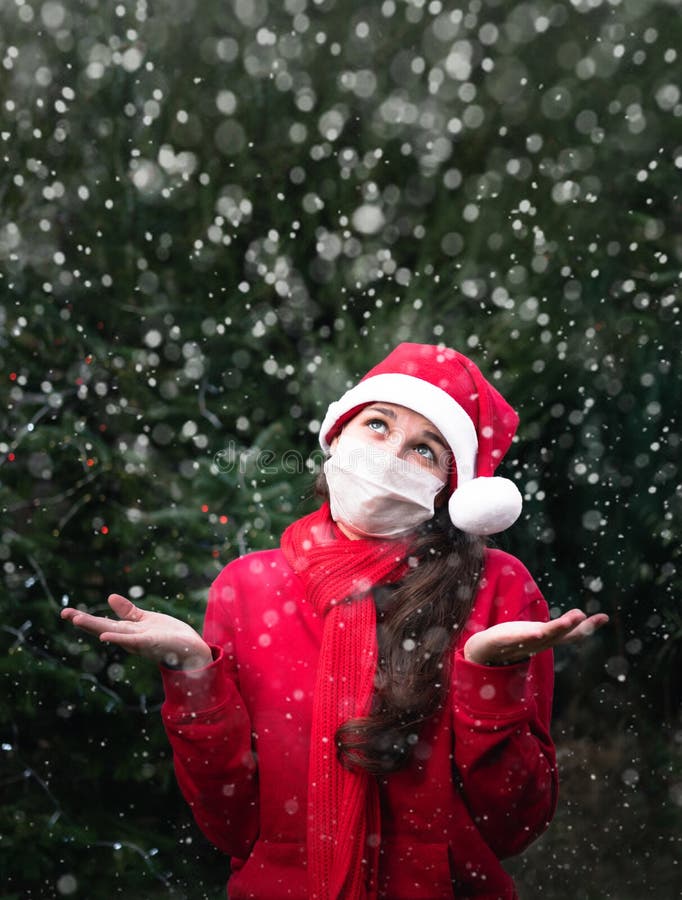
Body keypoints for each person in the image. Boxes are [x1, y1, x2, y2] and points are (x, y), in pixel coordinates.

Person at [62, 342, 608, 900]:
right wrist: (194, 676)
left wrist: (489, 681)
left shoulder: (499, 587)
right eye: (378, 424)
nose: (392, 455)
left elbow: (515, 824)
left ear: (453, 487)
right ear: (338, 433)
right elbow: (229, 825)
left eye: (425, 450)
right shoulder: (247, 588)